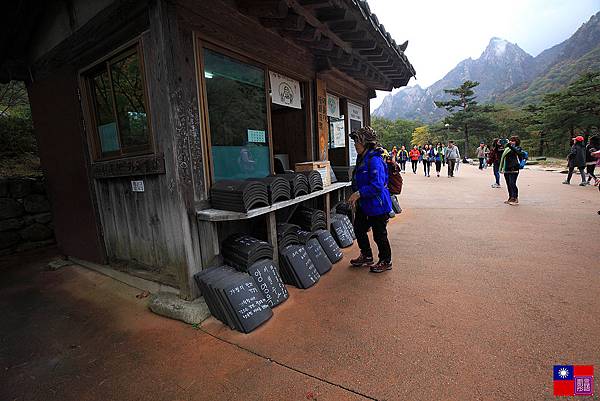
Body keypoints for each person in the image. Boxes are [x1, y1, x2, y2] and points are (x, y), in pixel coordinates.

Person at [348, 126, 393, 273]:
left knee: (379, 234)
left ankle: (386, 261)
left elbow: (377, 185)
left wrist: (359, 194)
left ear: (366, 143)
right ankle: (366, 255)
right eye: (355, 141)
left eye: (357, 141)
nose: (355, 144)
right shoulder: (362, 158)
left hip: (377, 204)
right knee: (359, 229)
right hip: (365, 203)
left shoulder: (375, 160)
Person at [499, 136, 526, 205]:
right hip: (507, 168)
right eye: (510, 140)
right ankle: (511, 197)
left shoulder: (518, 148)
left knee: (512, 183)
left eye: (513, 141)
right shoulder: (506, 149)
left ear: (516, 142)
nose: (511, 142)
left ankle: (515, 198)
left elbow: (519, 154)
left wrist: (511, 147)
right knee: (508, 184)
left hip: (514, 168)